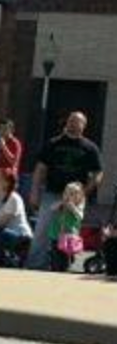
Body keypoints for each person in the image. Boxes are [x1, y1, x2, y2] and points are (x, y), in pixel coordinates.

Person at [26, 111, 102, 270]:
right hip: (52, 193)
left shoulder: (90, 148)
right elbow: (40, 168)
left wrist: (84, 192)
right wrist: (34, 192)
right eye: (71, 121)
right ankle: (35, 265)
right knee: (42, 229)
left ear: (84, 125)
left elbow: (98, 173)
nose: (73, 124)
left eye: (77, 121)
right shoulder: (53, 143)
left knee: (69, 231)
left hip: (75, 197)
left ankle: (62, 266)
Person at [48, 182, 86, 272]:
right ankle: (55, 267)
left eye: (72, 194)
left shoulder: (78, 207)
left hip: (69, 236)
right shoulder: (61, 204)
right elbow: (52, 208)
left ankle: (65, 267)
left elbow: (80, 216)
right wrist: (61, 203)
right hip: (57, 233)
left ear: (79, 197)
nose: (68, 196)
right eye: (66, 193)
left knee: (66, 256)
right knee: (56, 253)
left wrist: (72, 207)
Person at [0, 119, 22, 189]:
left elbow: (13, 162)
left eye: (5, 129)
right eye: (0, 129)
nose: (2, 131)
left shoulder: (15, 143)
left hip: (8, 179)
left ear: (11, 130)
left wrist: (4, 147)